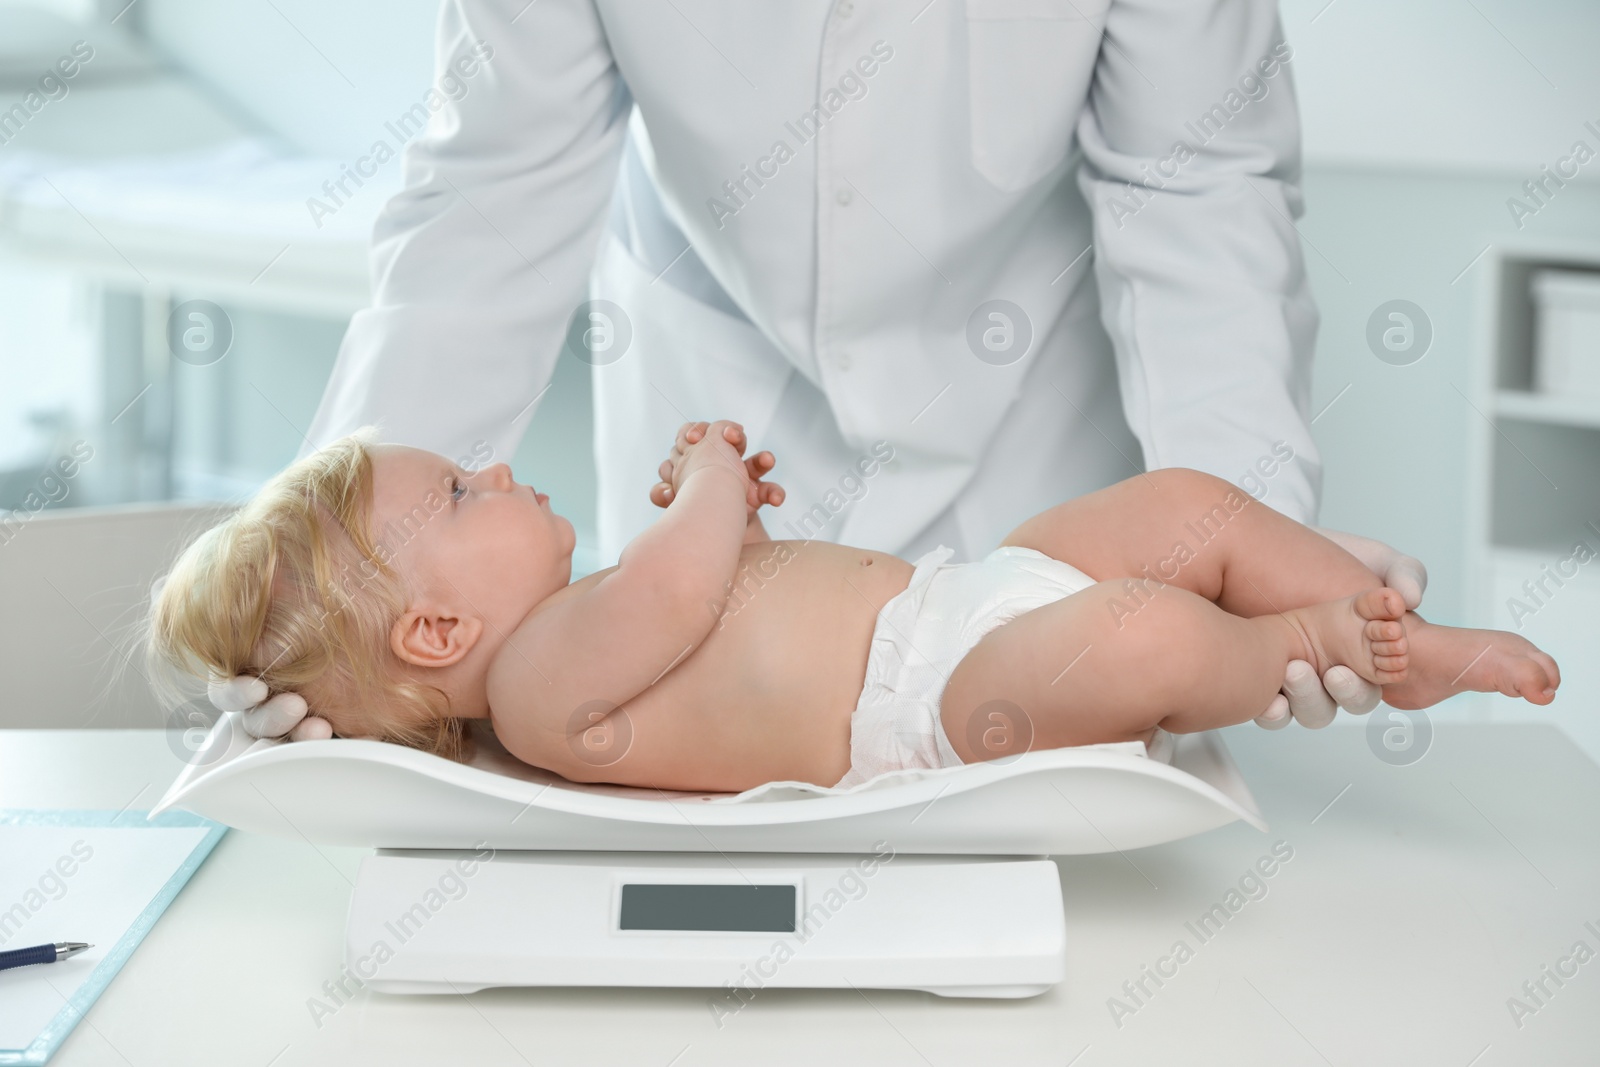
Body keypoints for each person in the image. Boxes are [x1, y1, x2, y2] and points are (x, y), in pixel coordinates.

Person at [225, 0, 1428, 735]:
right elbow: (491, 191)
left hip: (1023, 399)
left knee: (1099, 700)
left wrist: (1260, 533)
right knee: (696, 796)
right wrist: (329, 612)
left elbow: (1195, 180)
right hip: (715, 361)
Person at [154, 421, 1559, 793]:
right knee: (1144, 626)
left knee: (1178, 499)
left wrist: (733, 509)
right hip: (940, 701)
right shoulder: (535, 684)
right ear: (440, 635)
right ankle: (1326, 642)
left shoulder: (552, 637)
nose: (501, 467)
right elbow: (681, 581)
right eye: (463, 492)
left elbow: (700, 603)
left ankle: (1378, 612)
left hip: (962, 591)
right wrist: (711, 480)